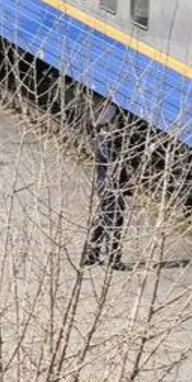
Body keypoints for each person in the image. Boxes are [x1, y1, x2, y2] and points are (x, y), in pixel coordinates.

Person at [81, 103, 135, 270]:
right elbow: (115, 166)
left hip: (104, 185)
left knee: (104, 219)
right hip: (111, 187)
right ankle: (113, 259)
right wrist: (123, 185)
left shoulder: (100, 139)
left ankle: (91, 254)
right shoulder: (109, 142)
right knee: (115, 220)